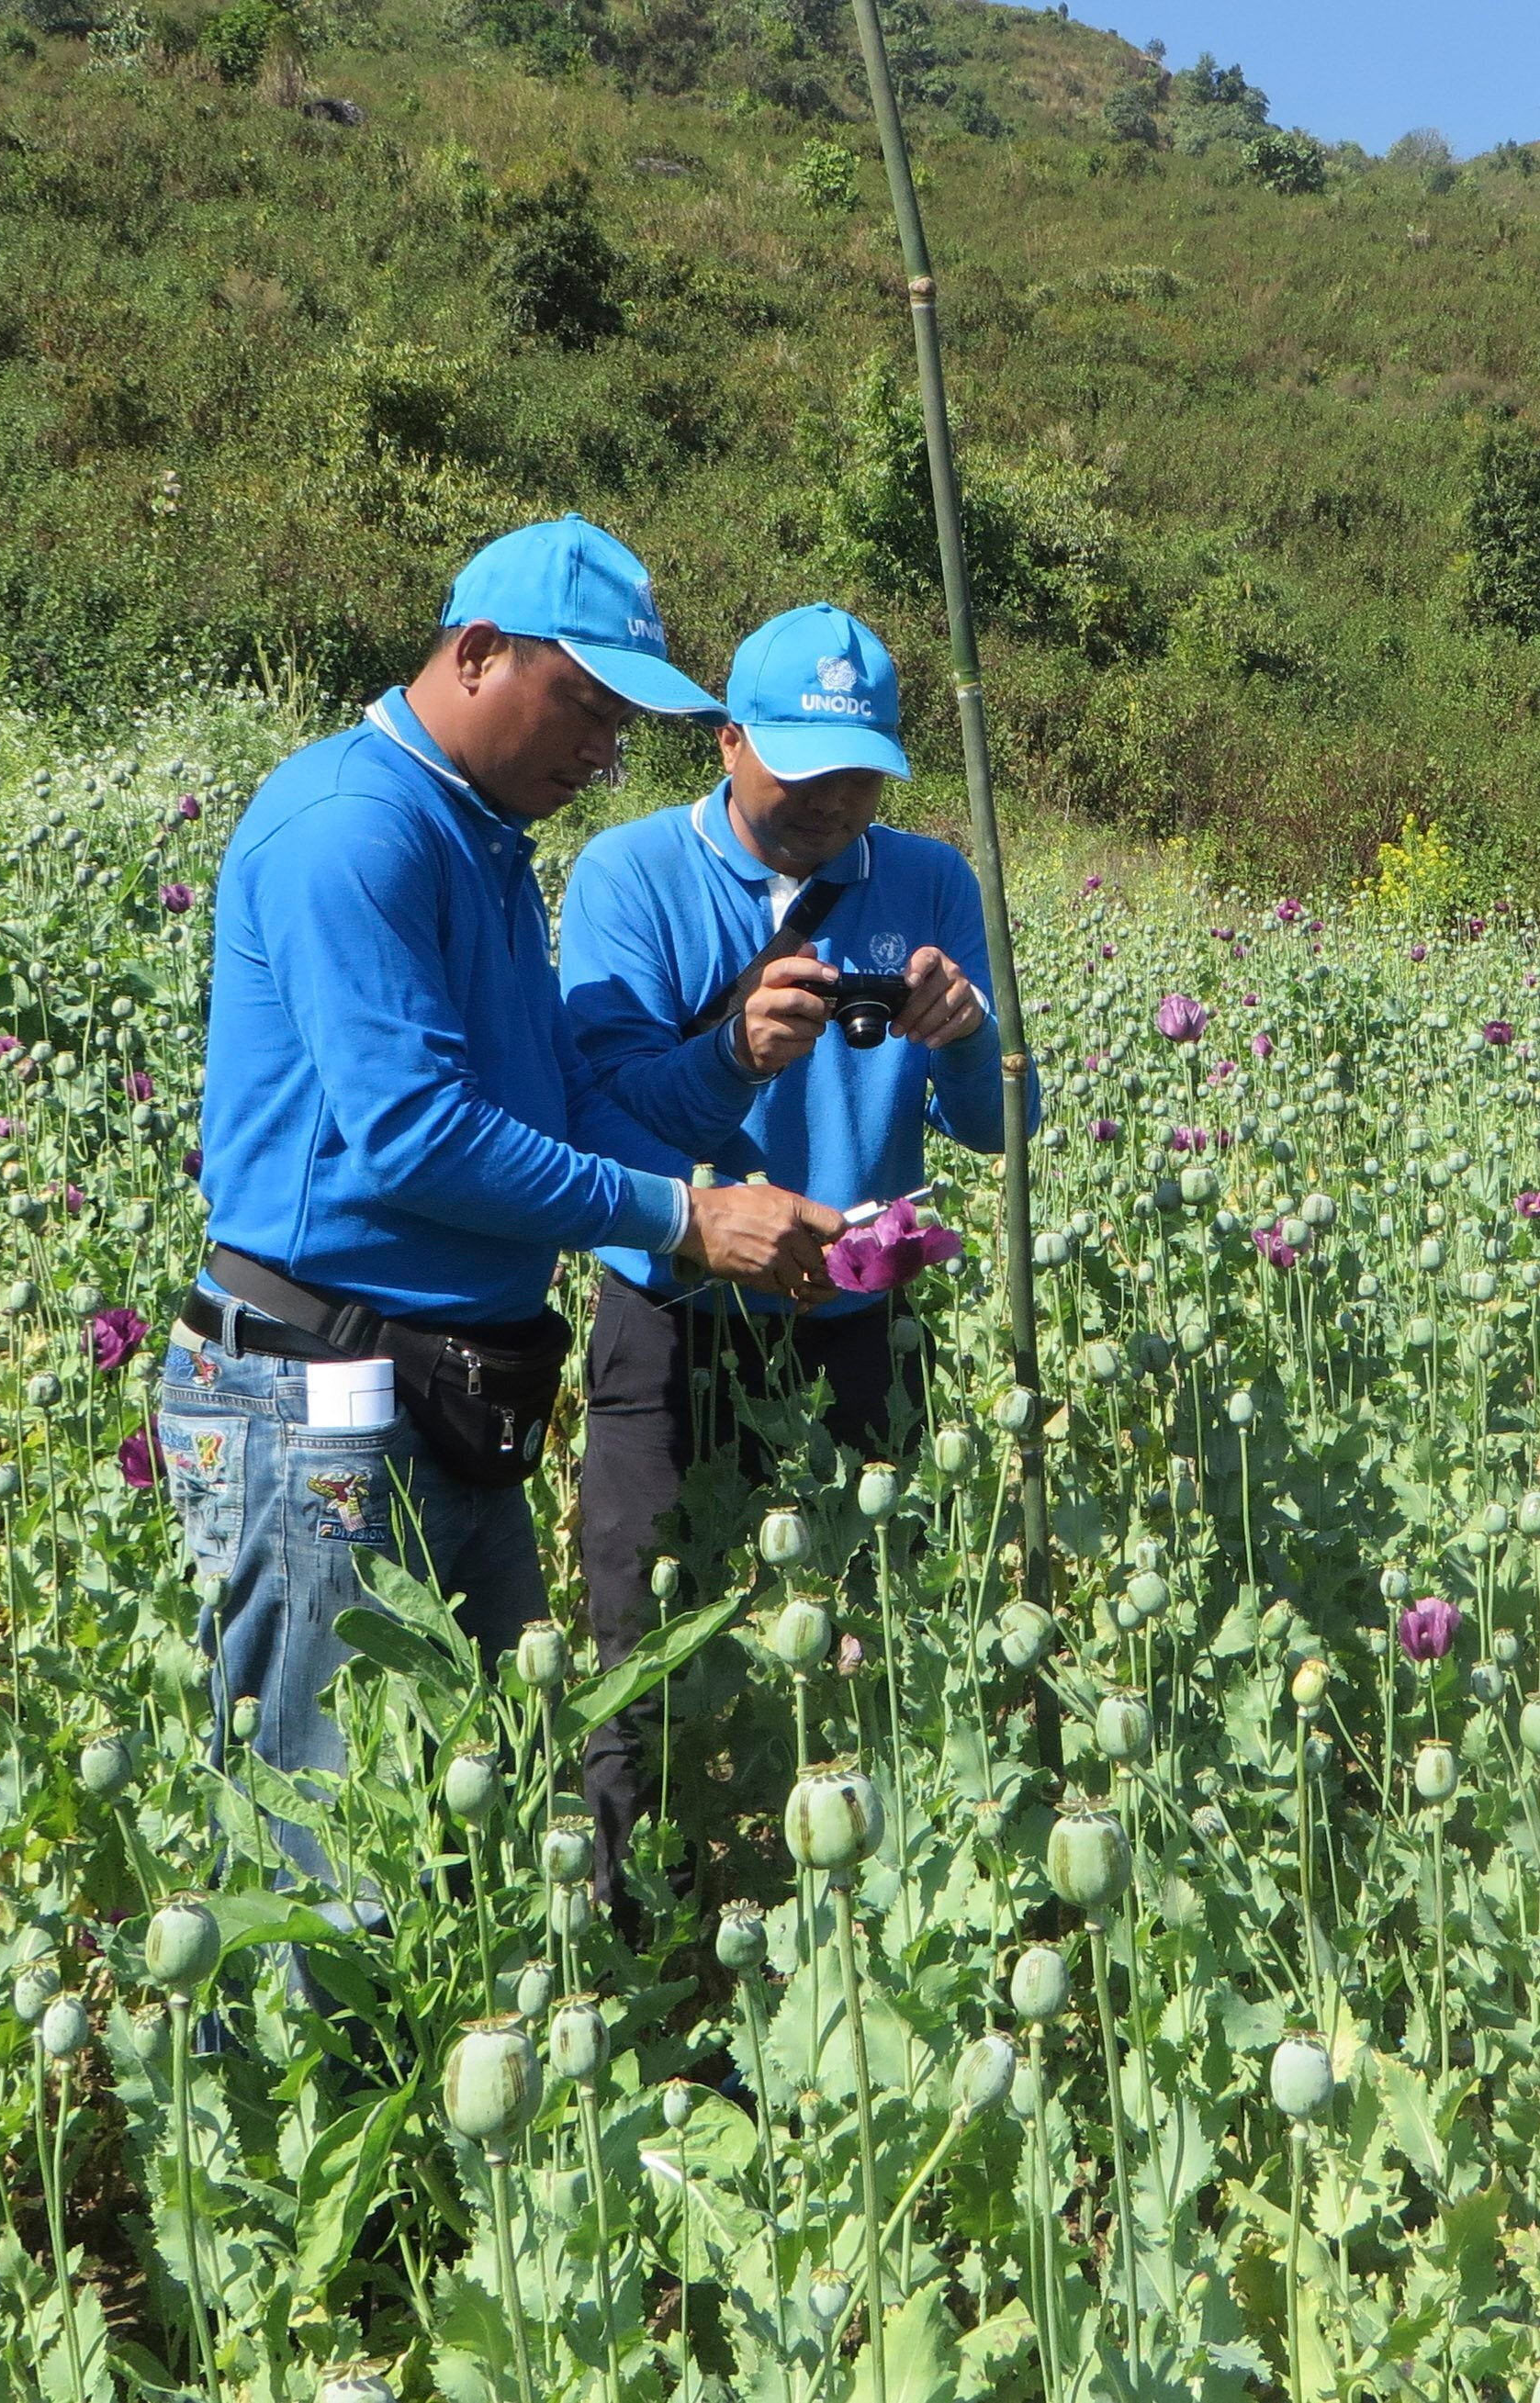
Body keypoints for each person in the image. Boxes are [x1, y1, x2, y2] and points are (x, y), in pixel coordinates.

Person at [152, 517, 841, 1885]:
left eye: (622, 724)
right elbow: (414, 1138)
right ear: (475, 653)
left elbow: (555, 1112)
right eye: (582, 706)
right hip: (313, 1404)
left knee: (485, 1815)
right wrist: (683, 1224)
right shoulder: (354, 829)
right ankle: (269, 2094)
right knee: (323, 1849)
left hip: (445, 1401)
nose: (601, 753)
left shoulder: (478, 842)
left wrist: (721, 1086)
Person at [557, 601, 1019, 1918]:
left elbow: (995, 1128)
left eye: (859, 766)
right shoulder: (629, 876)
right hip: (675, 1318)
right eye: (801, 762)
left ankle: (856, 1927)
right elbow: (604, 1124)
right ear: (723, 740)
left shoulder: (927, 881)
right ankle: (636, 1932)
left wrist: (967, 1039)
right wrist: (732, 1057)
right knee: (635, 1650)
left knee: (868, 1630)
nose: (832, 795)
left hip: (859, 1326)